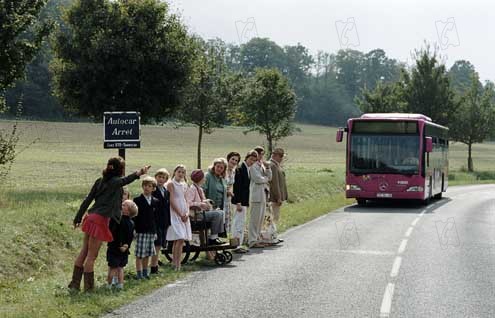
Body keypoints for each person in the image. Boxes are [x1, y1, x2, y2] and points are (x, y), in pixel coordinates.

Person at [69, 157, 150, 292]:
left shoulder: (99, 181)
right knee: (91, 256)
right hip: (100, 220)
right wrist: (139, 173)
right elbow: (125, 180)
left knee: (84, 251)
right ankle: (88, 289)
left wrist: (77, 218)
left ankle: (74, 284)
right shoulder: (115, 182)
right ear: (121, 169)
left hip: (90, 217)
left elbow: (87, 200)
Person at [186, 169, 225, 246]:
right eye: (203, 178)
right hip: (197, 215)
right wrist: (200, 204)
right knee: (217, 214)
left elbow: (203, 200)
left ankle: (215, 236)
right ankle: (213, 238)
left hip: (203, 212)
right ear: (200, 179)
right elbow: (188, 203)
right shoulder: (192, 189)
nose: (205, 179)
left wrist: (207, 203)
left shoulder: (199, 189)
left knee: (221, 212)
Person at [106, 199, 138, 290]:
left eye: (124, 205)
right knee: (120, 268)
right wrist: (126, 245)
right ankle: (120, 285)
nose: (121, 205)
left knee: (112, 267)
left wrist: (120, 244)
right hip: (125, 249)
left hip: (114, 247)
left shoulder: (117, 220)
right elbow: (130, 237)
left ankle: (108, 285)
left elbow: (114, 232)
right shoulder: (131, 223)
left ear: (128, 211)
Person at [231, 150, 258, 253]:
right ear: (246, 158)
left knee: (241, 223)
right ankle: (236, 245)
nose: (252, 162)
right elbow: (237, 187)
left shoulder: (247, 169)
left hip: (244, 201)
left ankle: (239, 243)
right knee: (238, 223)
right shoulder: (240, 169)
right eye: (251, 159)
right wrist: (238, 202)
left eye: (254, 160)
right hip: (239, 202)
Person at [133, 176, 160, 280]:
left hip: (151, 231)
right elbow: (134, 217)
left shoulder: (155, 201)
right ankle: (139, 273)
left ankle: (145, 272)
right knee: (140, 253)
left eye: (149, 186)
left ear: (153, 188)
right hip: (141, 230)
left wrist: (155, 231)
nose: (147, 188)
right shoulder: (137, 200)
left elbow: (156, 218)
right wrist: (134, 229)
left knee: (148, 253)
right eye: (145, 185)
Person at [166, 165, 191, 271]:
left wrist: (187, 213)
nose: (180, 174)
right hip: (175, 213)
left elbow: (187, 200)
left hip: (184, 212)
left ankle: (177, 263)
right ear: (175, 172)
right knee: (178, 237)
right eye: (179, 172)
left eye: (183, 172)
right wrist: (180, 214)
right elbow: (171, 201)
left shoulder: (184, 184)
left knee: (181, 240)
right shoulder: (171, 184)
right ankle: (175, 263)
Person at [248, 146, 272, 248]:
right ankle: (252, 240)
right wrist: (265, 179)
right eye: (261, 154)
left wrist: (268, 167)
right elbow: (258, 179)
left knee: (260, 219)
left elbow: (270, 177)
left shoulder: (261, 165)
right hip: (256, 195)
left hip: (263, 194)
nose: (262, 156)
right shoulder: (253, 166)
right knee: (255, 219)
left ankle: (257, 238)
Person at [151, 168, 171, 274]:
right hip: (156, 220)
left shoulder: (166, 192)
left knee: (162, 243)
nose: (161, 179)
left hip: (164, 221)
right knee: (157, 244)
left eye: (163, 177)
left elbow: (167, 207)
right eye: (159, 176)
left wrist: (169, 222)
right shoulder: (153, 191)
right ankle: (154, 267)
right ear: (156, 177)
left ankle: (155, 263)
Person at [202, 158, 227, 239]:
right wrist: (205, 203)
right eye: (218, 166)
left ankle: (216, 238)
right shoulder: (208, 176)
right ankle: (213, 238)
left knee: (220, 215)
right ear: (214, 166)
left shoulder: (222, 179)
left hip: (219, 205)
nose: (219, 169)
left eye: (221, 168)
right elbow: (202, 190)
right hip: (209, 205)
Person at [268, 148, 288, 243]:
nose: (281, 158)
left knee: (275, 217)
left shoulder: (276, 165)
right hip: (274, 197)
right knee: (273, 217)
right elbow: (274, 183)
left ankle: (274, 235)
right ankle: (271, 236)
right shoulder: (272, 165)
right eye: (280, 156)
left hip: (277, 197)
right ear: (275, 155)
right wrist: (278, 197)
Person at [224, 152, 241, 234]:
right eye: (233, 159)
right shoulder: (224, 169)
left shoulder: (233, 171)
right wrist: (226, 191)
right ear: (228, 159)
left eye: (236, 161)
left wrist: (230, 191)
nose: (234, 161)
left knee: (228, 217)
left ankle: (226, 236)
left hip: (228, 198)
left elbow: (231, 185)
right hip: (221, 196)